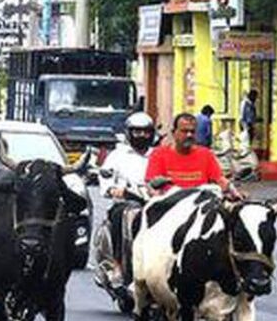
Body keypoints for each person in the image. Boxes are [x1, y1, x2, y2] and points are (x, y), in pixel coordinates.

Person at [97, 112, 157, 282]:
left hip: (154, 201)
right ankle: (117, 265)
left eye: (146, 132)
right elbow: (106, 179)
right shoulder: (117, 155)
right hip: (127, 202)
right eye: (137, 132)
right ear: (129, 133)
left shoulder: (158, 155)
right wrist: (113, 190)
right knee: (118, 217)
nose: (142, 136)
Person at [146, 112, 239, 197]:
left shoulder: (206, 154)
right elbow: (152, 186)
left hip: (200, 205)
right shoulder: (159, 154)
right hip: (170, 205)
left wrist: (232, 190)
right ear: (174, 133)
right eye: (184, 131)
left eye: (192, 132)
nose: (189, 135)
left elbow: (219, 179)